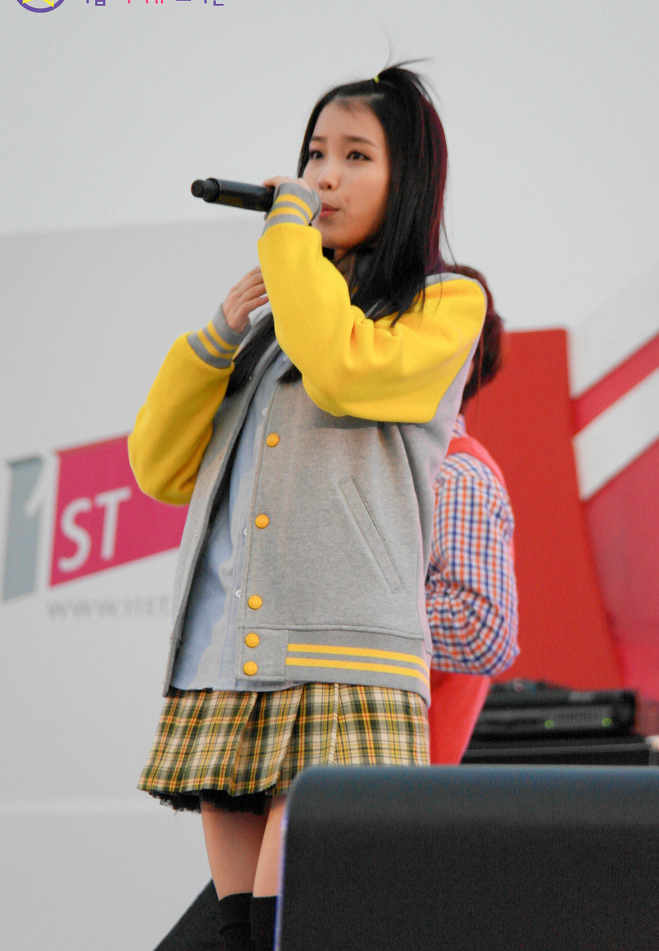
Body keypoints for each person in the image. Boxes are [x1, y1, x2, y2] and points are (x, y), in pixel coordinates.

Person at [129, 65, 486, 951]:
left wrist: (288, 239)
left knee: (297, 925)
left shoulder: (444, 303)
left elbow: (342, 367)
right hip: (226, 656)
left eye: (356, 156)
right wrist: (217, 335)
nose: (324, 176)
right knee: (240, 935)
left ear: (408, 181)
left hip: (342, 654)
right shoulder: (272, 329)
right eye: (315, 154)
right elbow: (161, 468)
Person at [426, 266, 519, 764]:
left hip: (397, 785)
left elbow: (483, 629)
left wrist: (356, 613)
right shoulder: (424, 469)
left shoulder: (456, 474)